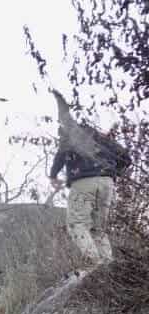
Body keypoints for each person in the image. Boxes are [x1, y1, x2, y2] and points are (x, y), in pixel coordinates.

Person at [49, 90, 131, 265]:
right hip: (107, 183)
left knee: (76, 224)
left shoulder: (73, 133)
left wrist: (53, 175)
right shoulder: (103, 139)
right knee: (99, 229)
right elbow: (127, 158)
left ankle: (95, 264)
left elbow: (64, 121)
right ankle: (108, 267)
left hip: (84, 181)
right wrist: (112, 172)